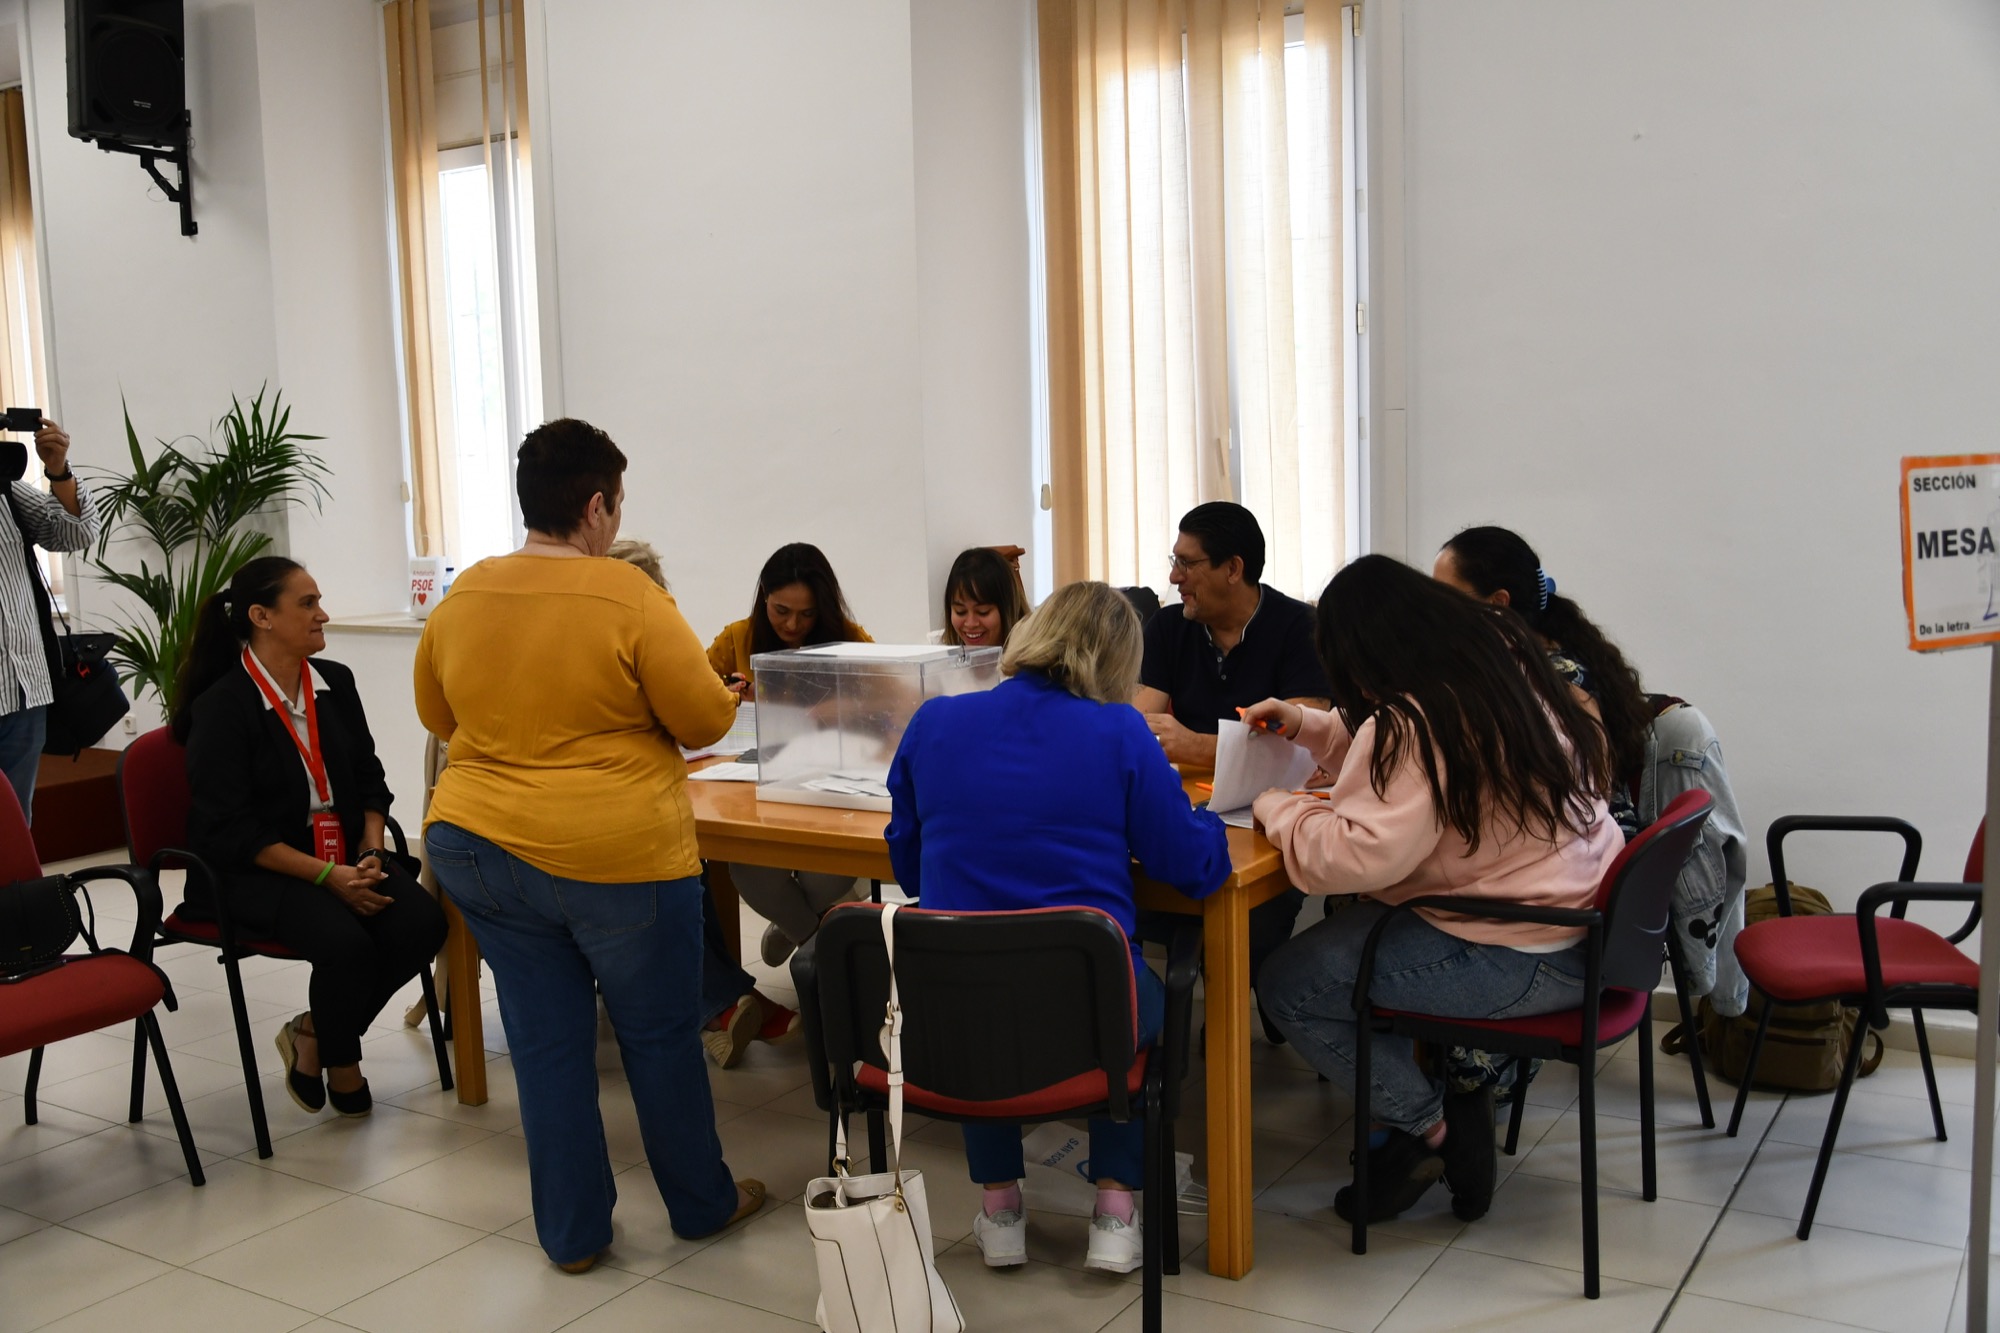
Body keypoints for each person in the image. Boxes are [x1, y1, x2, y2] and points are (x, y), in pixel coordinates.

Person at [416, 419, 763, 1272]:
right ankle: (700, 1203)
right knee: (659, 1036)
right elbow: (702, 719)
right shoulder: (628, 595)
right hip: (617, 854)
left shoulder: (465, 595)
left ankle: (573, 1235)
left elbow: (438, 714)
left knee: (545, 1043)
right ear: (598, 506)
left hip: (479, 847)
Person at [1245, 555, 1621, 1225]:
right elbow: (1408, 761)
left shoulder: (1418, 719)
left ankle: (1432, 1128)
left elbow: (1352, 857)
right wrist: (1308, 725)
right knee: (1348, 947)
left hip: (1518, 954)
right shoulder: (1500, 661)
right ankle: (1414, 1125)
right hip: (1574, 925)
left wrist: (1277, 804)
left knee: (1290, 985)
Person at [885, 580, 1231, 1274]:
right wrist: (1211, 820)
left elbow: (909, 863)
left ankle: (1000, 1209)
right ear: (1118, 660)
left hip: (953, 1004)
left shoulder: (935, 721)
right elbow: (1193, 868)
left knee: (981, 988)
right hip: (1085, 1005)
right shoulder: (1120, 731)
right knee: (1130, 997)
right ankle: (1115, 1212)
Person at [176, 556, 447, 1120]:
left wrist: (370, 850)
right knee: (346, 943)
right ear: (261, 617)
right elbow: (231, 830)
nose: (323, 614)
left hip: (342, 851)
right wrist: (328, 876)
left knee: (423, 924)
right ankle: (342, 1062)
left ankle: (314, 1034)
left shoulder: (335, 682)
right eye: (307, 604)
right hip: (256, 867)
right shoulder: (223, 706)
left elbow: (369, 780)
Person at [1131, 500, 1332, 1013]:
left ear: (1233, 568)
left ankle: (1232, 1023)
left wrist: (1197, 746)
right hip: (1189, 809)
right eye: (1173, 561)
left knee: (1248, 930)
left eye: (1187, 564)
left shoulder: (1299, 627)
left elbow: (1304, 742)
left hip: (1272, 818)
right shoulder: (1168, 628)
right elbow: (1136, 724)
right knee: (1136, 891)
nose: (1174, 577)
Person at [606, 537, 799, 1068]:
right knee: (673, 870)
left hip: (639, 798)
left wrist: (717, 696)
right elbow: (694, 718)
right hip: (600, 820)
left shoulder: (642, 639)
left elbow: (694, 702)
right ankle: (722, 1004)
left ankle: (728, 1001)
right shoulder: (617, 645)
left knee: (688, 862)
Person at [707, 541, 873, 967]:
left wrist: (846, 705)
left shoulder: (850, 639)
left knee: (829, 872)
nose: (793, 625)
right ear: (764, 596)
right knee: (748, 869)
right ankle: (814, 938)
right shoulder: (737, 638)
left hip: (831, 795)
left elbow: (890, 697)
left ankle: (793, 927)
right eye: (781, 611)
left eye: (807, 614)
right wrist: (727, 694)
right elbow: (698, 695)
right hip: (753, 794)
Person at [1433, 525, 1647, 837]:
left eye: (1447, 598)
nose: (1437, 612)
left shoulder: (1558, 682)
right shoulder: (1533, 662)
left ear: (1498, 603)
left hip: (1590, 848)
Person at [0, 419, 98, 821]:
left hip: (22, 689)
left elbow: (77, 533)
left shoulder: (6, 490)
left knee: (15, 826)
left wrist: (58, 469)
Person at [939, 545, 1030, 648]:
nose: (970, 624)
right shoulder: (940, 650)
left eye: (983, 612)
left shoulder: (1032, 655)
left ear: (1007, 609)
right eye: (960, 612)